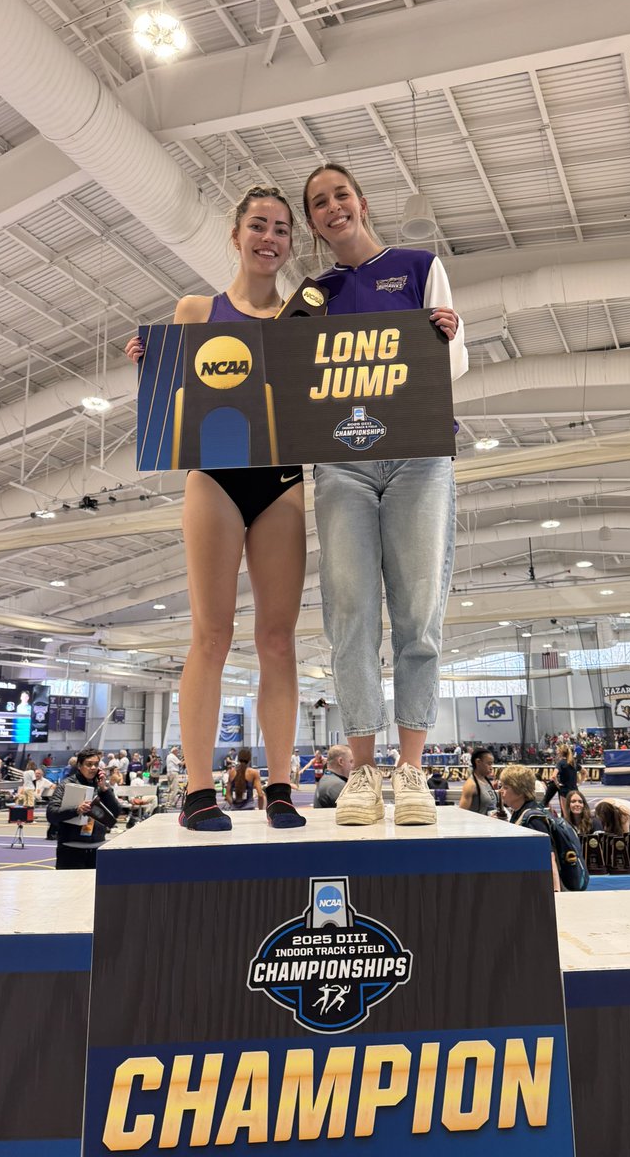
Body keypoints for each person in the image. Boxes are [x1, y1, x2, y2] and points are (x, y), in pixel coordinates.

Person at [126, 187, 306, 833]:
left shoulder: (305, 318)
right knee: (212, 633)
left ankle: (280, 787)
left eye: (281, 228)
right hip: (216, 477)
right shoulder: (197, 309)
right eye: (258, 225)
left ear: (291, 243)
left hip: (281, 479)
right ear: (236, 236)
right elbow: (174, 394)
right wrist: (150, 367)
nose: (269, 237)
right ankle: (199, 790)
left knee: (278, 640)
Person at [302, 163, 467, 828]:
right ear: (313, 223)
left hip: (419, 454)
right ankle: (364, 772)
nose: (333, 206)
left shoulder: (417, 266)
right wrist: (167, 360)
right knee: (350, 615)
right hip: (342, 459)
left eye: (340, 194)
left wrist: (450, 335)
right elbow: (273, 369)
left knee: (419, 614)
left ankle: (412, 772)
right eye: (319, 203)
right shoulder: (313, 294)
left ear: (361, 202)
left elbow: (454, 364)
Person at [46, 749, 122, 870]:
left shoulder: (102, 786)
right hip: (70, 850)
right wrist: (76, 810)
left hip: (97, 848)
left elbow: (116, 812)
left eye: (96, 764)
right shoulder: (66, 785)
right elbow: (51, 814)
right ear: (79, 765)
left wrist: (104, 789)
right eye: (89, 764)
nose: (93, 768)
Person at [498, 764, 560, 892]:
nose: (501, 791)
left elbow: (549, 856)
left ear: (520, 790)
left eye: (506, 787)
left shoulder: (533, 819)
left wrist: (555, 891)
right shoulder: (519, 812)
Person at [458, 748, 503, 817]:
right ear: (478, 762)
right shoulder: (471, 785)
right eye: (489, 764)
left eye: (492, 764)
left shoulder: (486, 780)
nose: (491, 767)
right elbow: (462, 814)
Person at [543, 743, 578, 817]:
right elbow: (584, 772)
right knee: (572, 812)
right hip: (573, 789)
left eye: (557, 750)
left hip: (564, 790)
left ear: (561, 752)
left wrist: (557, 784)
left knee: (565, 814)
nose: (556, 752)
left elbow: (553, 776)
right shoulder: (572, 762)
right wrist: (580, 781)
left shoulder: (561, 763)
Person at [225, 748, 265, 813]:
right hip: (249, 808)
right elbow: (260, 794)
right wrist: (260, 811)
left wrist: (233, 805)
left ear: (238, 759)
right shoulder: (254, 773)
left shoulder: (232, 772)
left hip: (234, 810)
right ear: (250, 759)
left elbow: (227, 794)